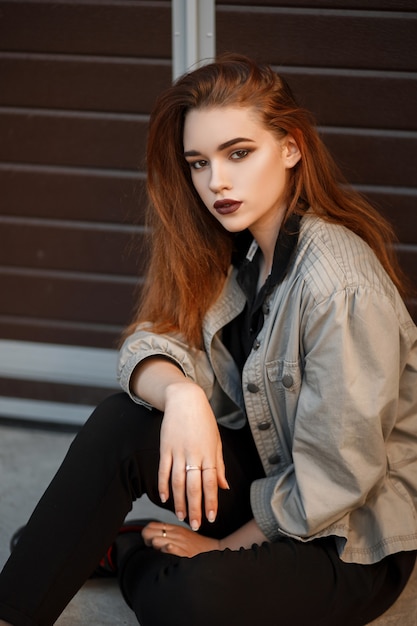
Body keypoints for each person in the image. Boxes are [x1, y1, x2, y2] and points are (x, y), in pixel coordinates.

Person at [0, 53, 417, 626]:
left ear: (291, 147)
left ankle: (129, 551)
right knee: (122, 422)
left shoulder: (338, 285)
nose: (216, 181)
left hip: (346, 539)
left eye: (238, 153)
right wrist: (182, 396)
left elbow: (339, 479)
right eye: (199, 162)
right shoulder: (239, 249)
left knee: (193, 601)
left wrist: (224, 548)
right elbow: (149, 340)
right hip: (271, 479)